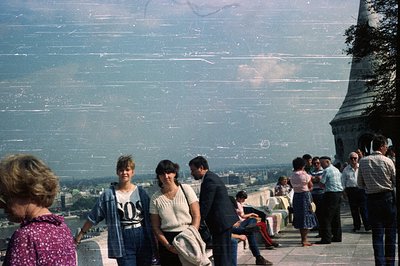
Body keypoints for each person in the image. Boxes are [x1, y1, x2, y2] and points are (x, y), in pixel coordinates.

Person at [75, 155, 154, 266]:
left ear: (132, 172)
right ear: (117, 172)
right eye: (121, 170)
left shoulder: (141, 192)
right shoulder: (108, 195)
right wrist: (80, 234)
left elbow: (152, 216)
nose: (124, 173)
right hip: (122, 238)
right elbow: (93, 217)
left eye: (127, 170)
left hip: (143, 236)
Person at [0, 154, 76, 265]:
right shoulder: (63, 228)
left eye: (5, 196)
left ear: (28, 193)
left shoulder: (25, 237)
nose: (2, 206)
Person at [188, 156, 239, 266]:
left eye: (193, 170)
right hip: (223, 222)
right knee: (224, 254)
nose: (192, 173)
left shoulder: (209, 180)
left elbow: (205, 205)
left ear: (201, 168)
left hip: (220, 224)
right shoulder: (212, 177)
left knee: (221, 256)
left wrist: (197, 222)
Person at [150, 160, 201, 266]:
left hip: (188, 236)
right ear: (158, 176)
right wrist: (168, 246)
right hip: (167, 241)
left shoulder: (186, 189)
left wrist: (192, 234)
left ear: (174, 173)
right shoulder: (155, 198)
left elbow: (196, 215)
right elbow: (155, 227)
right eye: (162, 173)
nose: (166, 176)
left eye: (169, 172)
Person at [358, 135, 396, 266]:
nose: (386, 148)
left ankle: (379, 263)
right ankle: (390, 263)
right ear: (381, 146)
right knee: (390, 233)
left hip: (371, 199)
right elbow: (394, 180)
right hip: (387, 198)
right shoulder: (388, 161)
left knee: (377, 234)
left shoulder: (362, 161)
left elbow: (360, 184)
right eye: (386, 146)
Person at [229, 195, 272, 265]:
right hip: (232, 228)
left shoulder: (228, 207)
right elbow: (224, 229)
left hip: (237, 225)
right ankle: (258, 258)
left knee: (252, 220)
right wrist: (238, 236)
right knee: (250, 231)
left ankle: (248, 228)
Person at [290, 157, 318, 247]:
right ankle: (304, 240)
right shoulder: (305, 175)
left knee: (300, 216)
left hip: (296, 196)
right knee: (306, 216)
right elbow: (311, 185)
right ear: (302, 166)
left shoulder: (292, 176)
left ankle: (303, 239)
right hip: (305, 195)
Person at [316, 156, 343, 244]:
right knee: (336, 217)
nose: (321, 165)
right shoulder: (336, 170)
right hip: (338, 193)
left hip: (330, 194)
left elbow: (321, 183)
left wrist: (319, 181)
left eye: (322, 163)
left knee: (326, 217)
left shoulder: (327, 171)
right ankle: (337, 236)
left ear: (327, 162)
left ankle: (326, 238)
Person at [341, 152, 369, 232]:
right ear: (349, 159)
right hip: (351, 190)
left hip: (361, 190)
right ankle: (357, 226)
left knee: (364, 209)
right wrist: (344, 192)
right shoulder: (346, 170)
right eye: (351, 158)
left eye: (355, 158)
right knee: (354, 210)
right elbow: (343, 181)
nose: (353, 160)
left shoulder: (362, 167)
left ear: (358, 159)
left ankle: (367, 225)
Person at [310, 156, 324, 235]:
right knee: (316, 213)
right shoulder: (311, 172)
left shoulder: (323, 171)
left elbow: (320, 180)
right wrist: (315, 179)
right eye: (314, 163)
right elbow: (310, 181)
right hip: (313, 194)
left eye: (318, 163)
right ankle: (319, 229)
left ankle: (322, 231)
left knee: (322, 213)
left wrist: (315, 179)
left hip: (321, 193)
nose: (316, 164)